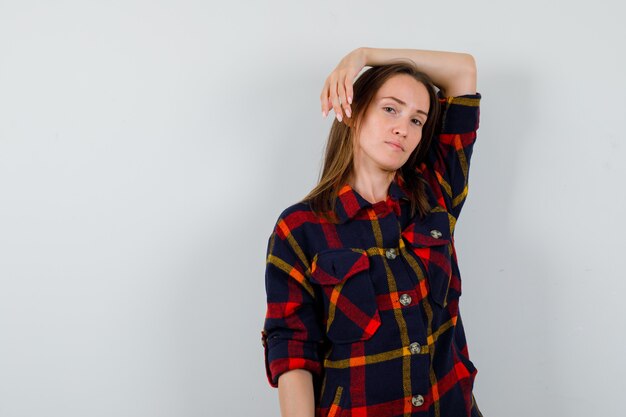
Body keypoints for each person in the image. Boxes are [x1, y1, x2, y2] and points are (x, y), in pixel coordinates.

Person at [261, 47, 483, 417]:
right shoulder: (300, 229)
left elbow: (463, 71)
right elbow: (293, 350)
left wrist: (363, 54)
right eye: (390, 109)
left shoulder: (436, 195)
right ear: (351, 110)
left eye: (417, 120)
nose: (403, 128)